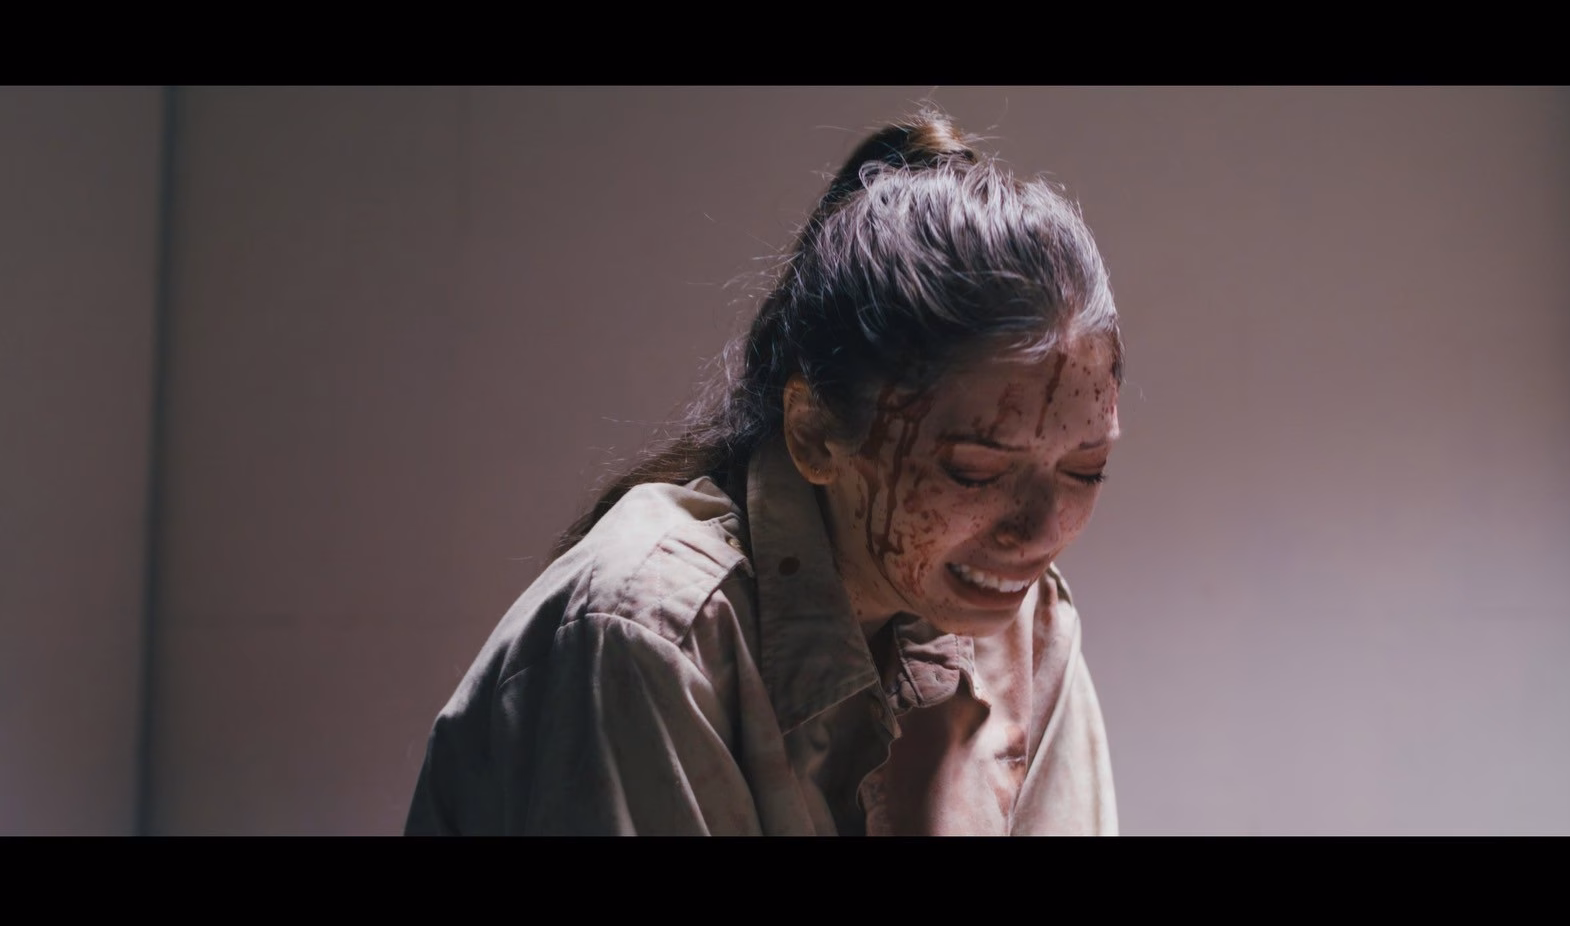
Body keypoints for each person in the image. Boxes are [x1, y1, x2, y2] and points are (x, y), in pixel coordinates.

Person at [405, 108, 1123, 835]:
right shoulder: (649, 631)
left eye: (1086, 471)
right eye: (974, 471)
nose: (1041, 531)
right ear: (814, 433)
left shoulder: (1025, 623)